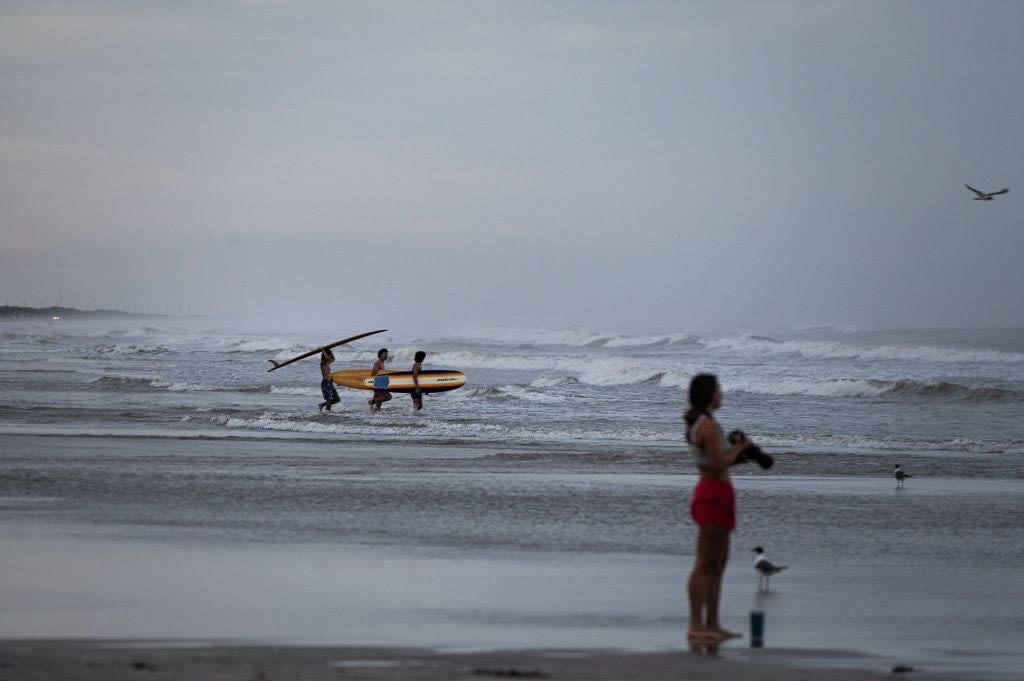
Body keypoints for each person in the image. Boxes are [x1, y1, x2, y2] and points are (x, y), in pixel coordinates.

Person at [684, 373, 750, 645]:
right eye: (719, 389)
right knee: (705, 562)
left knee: (719, 562)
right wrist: (739, 449)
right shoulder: (708, 426)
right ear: (710, 394)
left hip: (719, 492)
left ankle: (713, 622)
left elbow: (719, 462)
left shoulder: (705, 423)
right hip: (711, 493)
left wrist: (735, 453)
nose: (722, 393)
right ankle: (696, 625)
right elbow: (718, 463)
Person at [369, 348, 392, 412]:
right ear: (380, 354)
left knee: (379, 404)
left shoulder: (381, 362)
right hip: (378, 384)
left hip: (381, 384)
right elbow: (373, 373)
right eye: (384, 353)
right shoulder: (378, 363)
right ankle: (371, 402)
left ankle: (375, 415)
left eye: (387, 354)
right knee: (388, 397)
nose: (386, 355)